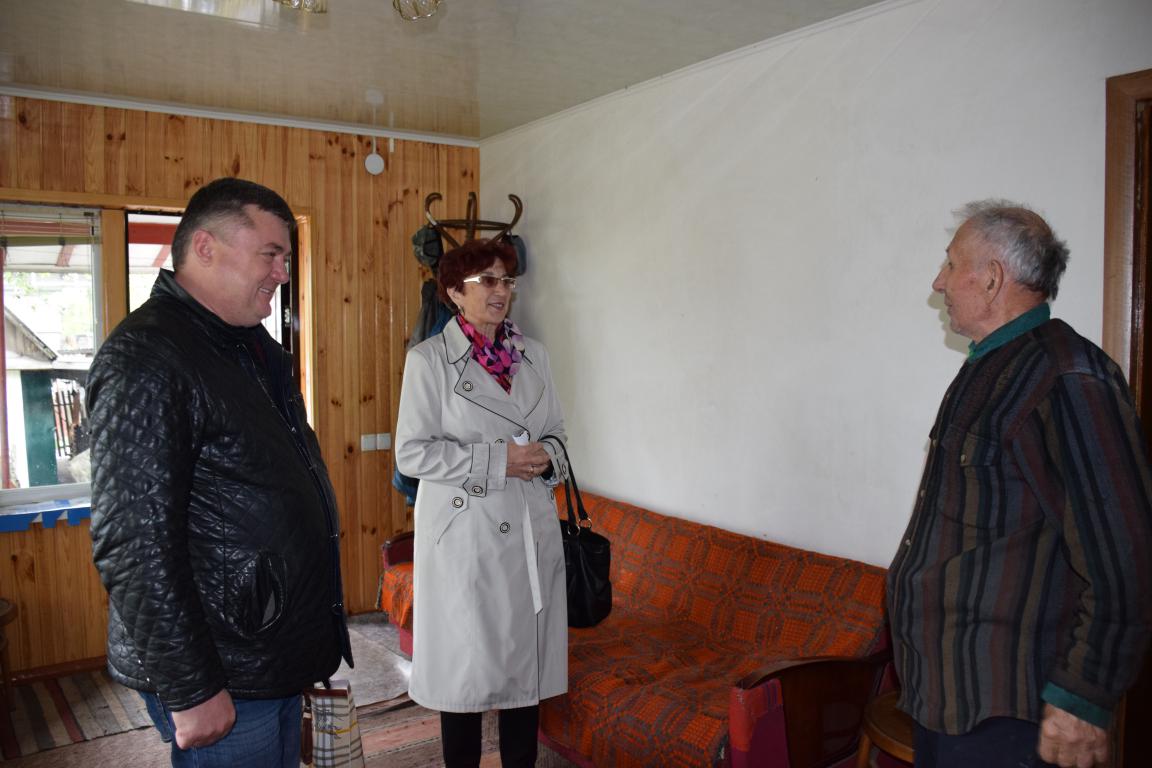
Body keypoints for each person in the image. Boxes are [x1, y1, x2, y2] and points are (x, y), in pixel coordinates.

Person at [88, 177, 353, 767]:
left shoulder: (247, 348)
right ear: (205, 248)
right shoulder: (149, 357)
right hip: (223, 665)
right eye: (271, 254)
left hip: (265, 652)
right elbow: (132, 543)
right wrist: (192, 688)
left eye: (286, 257)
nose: (282, 272)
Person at [887, 200, 1152, 768]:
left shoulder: (1067, 378)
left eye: (951, 263)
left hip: (1008, 709)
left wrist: (1083, 697)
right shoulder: (990, 366)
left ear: (992, 277)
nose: (938, 282)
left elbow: (1124, 554)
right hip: (950, 693)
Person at [394, 237, 568, 768]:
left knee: (524, 676)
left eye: (507, 281)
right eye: (487, 281)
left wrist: (548, 458)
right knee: (465, 679)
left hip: (529, 529)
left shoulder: (535, 355)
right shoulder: (430, 361)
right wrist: (500, 461)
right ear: (454, 292)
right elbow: (412, 454)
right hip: (466, 538)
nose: (501, 291)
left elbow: (557, 434)